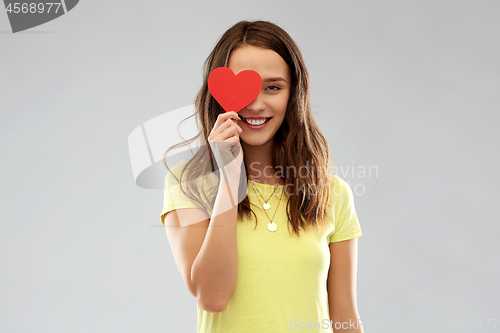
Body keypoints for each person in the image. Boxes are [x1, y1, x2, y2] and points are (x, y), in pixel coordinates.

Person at [160, 20, 363, 333]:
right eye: (244, 88)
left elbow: (345, 317)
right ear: (218, 94)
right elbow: (212, 297)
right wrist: (229, 176)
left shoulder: (332, 192)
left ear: (293, 93)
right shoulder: (188, 184)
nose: (255, 104)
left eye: (272, 87)